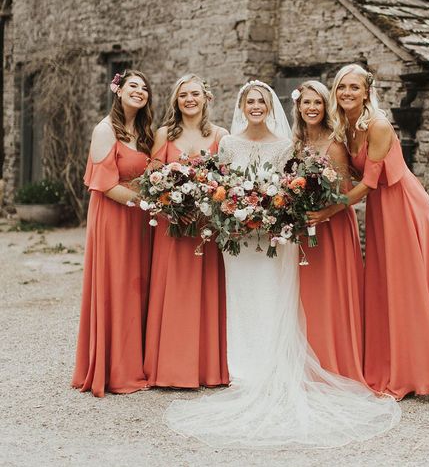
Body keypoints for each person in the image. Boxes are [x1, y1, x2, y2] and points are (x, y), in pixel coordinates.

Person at [164, 80, 400, 448]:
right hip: (237, 238)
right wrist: (233, 209)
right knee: (242, 300)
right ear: (241, 105)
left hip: (275, 237)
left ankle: (275, 369)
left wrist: (269, 209)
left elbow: (291, 189)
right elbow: (219, 185)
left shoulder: (287, 145)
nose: (256, 106)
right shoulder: (227, 143)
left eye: (261, 100)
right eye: (250, 101)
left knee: (276, 298)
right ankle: (242, 372)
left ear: (269, 104)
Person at [309, 64, 429, 399]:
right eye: (341, 87)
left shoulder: (377, 126)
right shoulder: (343, 126)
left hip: (405, 206)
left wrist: (327, 212)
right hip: (381, 210)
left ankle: (417, 373)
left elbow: (367, 184)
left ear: (367, 92)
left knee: (407, 288)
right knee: (385, 286)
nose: (347, 93)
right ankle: (392, 363)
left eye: (354, 87)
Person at [72, 70, 154, 397]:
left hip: (139, 219)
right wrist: (144, 199)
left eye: (145, 87)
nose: (140, 91)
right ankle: (116, 369)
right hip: (114, 217)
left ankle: (137, 360)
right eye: (133, 85)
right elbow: (104, 184)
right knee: (117, 285)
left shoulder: (144, 131)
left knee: (138, 286)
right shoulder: (105, 130)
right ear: (118, 91)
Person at [143, 74, 229, 388]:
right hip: (173, 226)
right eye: (183, 96)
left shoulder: (221, 135)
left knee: (205, 293)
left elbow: (228, 183)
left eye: (194, 94)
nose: (189, 100)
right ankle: (168, 368)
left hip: (206, 230)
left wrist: (210, 201)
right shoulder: (164, 134)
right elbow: (150, 177)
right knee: (173, 292)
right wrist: (169, 201)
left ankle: (207, 369)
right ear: (176, 101)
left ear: (206, 98)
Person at [291, 80, 365, 383]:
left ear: (326, 106)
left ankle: (336, 364)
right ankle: (309, 361)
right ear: (298, 106)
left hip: (332, 225)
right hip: (306, 228)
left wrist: (322, 213)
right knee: (307, 296)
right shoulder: (294, 144)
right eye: (306, 103)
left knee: (330, 294)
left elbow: (345, 191)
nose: (312, 108)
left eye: (318, 103)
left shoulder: (334, 144)